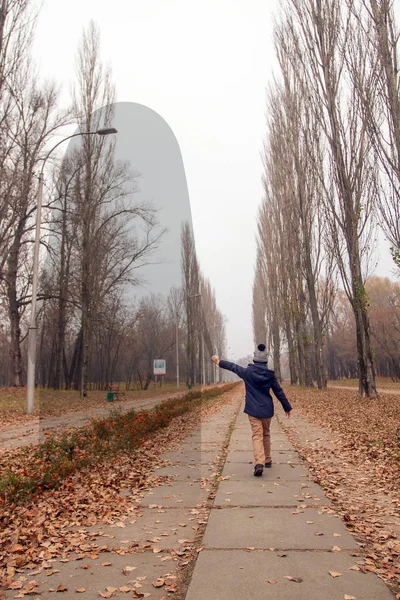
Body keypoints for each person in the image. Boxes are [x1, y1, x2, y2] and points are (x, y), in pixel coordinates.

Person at [211, 344, 292, 477]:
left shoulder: (248, 373)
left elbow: (233, 367)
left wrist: (219, 362)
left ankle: (259, 463)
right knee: (266, 434)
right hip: (267, 410)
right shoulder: (270, 376)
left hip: (253, 410)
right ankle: (268, 459)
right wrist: (286, 407)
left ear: (254, 360)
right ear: (265, 361)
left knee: (257, 435)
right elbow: (278, 391)